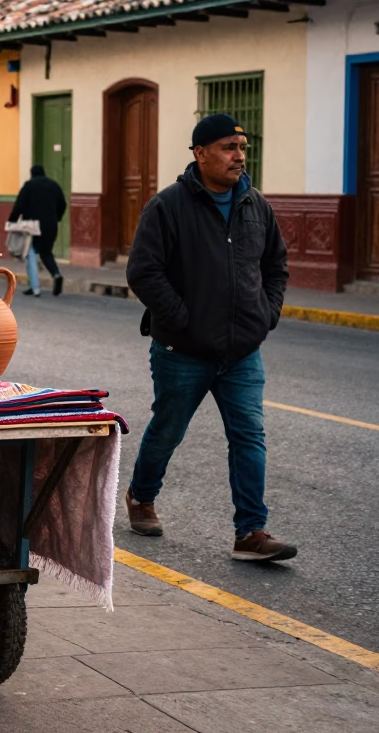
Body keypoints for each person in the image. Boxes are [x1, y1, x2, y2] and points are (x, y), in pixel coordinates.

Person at [125, 113, 294, 562]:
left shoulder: (256, 205)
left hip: (242, 351)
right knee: (168, 429)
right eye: (228, 148)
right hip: (183, 350)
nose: (239, 156)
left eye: (242, 147)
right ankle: (141, 497)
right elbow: (143, 271)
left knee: (249, 437)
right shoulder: (168, 206)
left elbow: (276, 266)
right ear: (200, 154)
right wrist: (184, 320)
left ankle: (251, 532)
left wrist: (266, 314)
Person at [9, 165, 67, 297]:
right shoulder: (54, 185)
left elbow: (19, 205)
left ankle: (35, 287)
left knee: (31, 255)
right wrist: (57, 217)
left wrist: (11, 221)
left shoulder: (29, 186)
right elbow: (63, 204)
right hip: (50, 225)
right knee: (46, 253)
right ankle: (56, 275)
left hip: (32, 226)